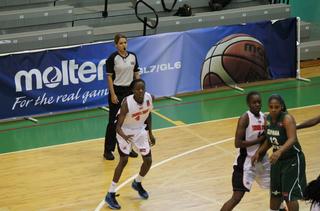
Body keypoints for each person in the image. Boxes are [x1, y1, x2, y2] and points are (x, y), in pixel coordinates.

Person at [221, 91, 287, 211]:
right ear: (248, 104)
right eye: (254, 102)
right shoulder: (245, 118)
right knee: (236, 197)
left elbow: (268, 138)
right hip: (246, 163)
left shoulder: (265, 117)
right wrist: (259, 140)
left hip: (262, 161)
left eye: (259, 102)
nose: (257, 104)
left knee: (276, 189)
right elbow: (238, 143)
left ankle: (281, 208)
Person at [105, 79, 156, 210]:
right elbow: (117, 126)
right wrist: (124, 136)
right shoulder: (127, 103)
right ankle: (110, 193)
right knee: (124, 160)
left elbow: (148, 114)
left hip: (140, 130)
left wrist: (150, 133)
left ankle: (137, 183)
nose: (141, 91)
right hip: (124, 131)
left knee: (148, 160)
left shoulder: (149, 98)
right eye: (138, 89)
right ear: (132, 91)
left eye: (142, 88)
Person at [252, 94, 307, 211]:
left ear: (281, 107)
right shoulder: (267, 120)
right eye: (271, 107)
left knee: (288, 195)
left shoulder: (287, 119)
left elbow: (292, 138)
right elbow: (269, 139)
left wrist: (279, 151)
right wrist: (259, 152)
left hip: (292, 160)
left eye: (276, 107)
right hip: (277, 161)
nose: (273, 109)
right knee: (275, 193)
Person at [104, 33, 140, 160]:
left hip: (130, 91)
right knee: (113, 122)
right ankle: (108, 150)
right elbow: (109, 77)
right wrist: (113, 94)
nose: (123, 45)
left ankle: (128, 148)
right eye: (121, 43)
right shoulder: (112, 58)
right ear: (116, 45)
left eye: (125, 42)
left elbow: (136, 74)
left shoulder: (133, 57)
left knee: (129, 122)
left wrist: (138, 90)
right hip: (117, 91)